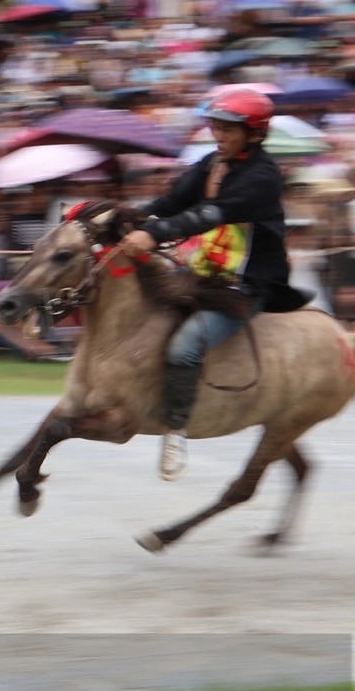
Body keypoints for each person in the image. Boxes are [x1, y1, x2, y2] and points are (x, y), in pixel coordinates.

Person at [120, 86, 300, 481]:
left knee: (184, 348)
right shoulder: (211, 163)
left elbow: (209, 214)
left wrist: (153, 235)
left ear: (254, 132)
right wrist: (125, 219)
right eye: (215, 126)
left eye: (228, 129)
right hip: (199, 275)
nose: (218, 134)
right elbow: (171, 203)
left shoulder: (263, 177)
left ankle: (175, 430)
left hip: (242, 288)